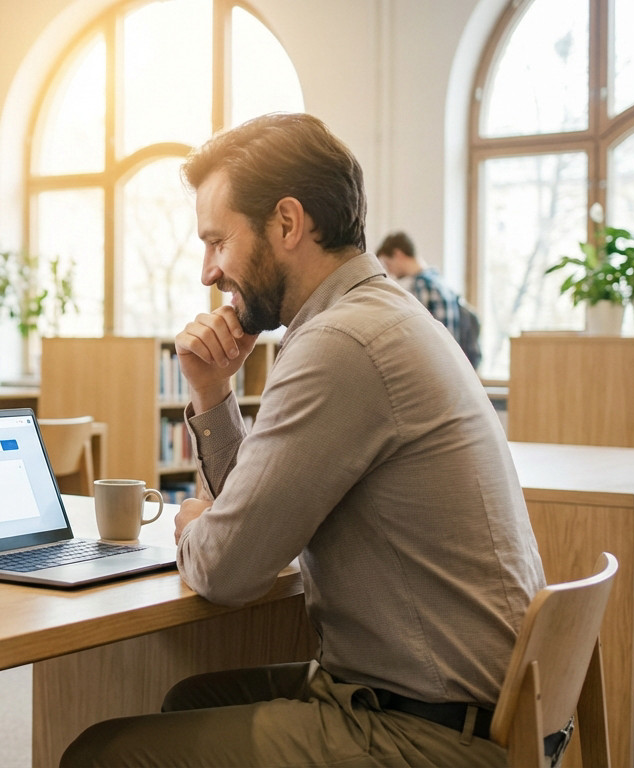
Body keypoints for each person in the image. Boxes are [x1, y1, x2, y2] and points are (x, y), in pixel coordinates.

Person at [61, 114, 545, 767]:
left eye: (216, 241)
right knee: (188, 702)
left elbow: (228, 568)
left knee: (104, 753)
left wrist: (202, 523)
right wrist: (211, 391)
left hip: (431, 735)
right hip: (461, 706)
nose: (208, 272)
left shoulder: (340, 345)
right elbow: (254, 513)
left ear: (287, 224)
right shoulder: (381, 316)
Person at [376, 231, 482, 367]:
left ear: (398, 254)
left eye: (388, 264)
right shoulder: (439, 282)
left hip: (436, 365)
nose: (390, 272)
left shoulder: (422, 285)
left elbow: (418, 337)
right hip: (453, 365)